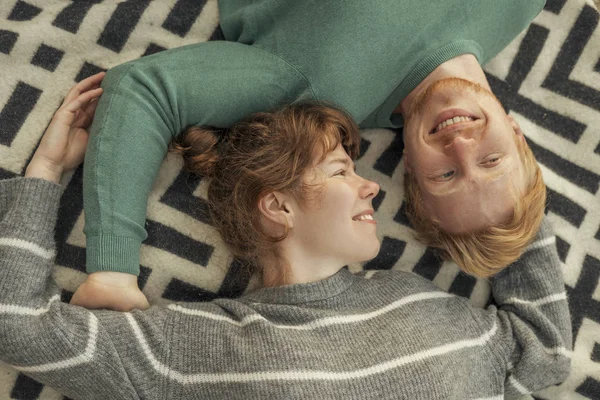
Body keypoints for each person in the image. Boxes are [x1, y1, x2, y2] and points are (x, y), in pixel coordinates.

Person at [0, 76, 571, 399]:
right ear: (277, 206)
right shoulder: (191, 349)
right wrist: (44, 171)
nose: (372, 187)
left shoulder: (429, 306)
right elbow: (19, 327)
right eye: (341, 170)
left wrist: (505, 169)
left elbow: (545, 351)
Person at [74, 0, 549, 311]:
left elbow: (145, 89)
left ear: (411, 173)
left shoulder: (315, 94)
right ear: (517, 135)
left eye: (446, 175)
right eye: (492, 161)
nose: (462, 146)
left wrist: (113, 270)